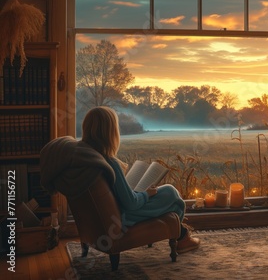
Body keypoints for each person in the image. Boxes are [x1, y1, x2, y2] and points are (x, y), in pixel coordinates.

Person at [49, 106, 200, 253]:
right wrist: (147, 194)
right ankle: (182, 237)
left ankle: (181, 233)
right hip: (123, 216)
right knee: (170, 192)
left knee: (167, 195)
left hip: (106, 217)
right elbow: (131, 203)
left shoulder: (84, 159)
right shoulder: (108, 162)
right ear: (111, 132)